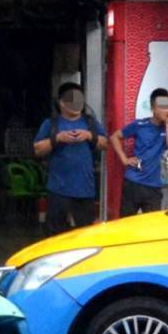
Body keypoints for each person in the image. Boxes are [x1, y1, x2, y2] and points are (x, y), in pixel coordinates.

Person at [34, 83, 108, 235]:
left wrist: (89, 136)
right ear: (62, 102)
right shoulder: (51, 123)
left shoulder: (90, 122)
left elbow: (106, 144)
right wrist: (57, 138)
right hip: (58, 188)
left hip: (85, 189)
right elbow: (37, 149)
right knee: (55, 234)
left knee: (86, 234)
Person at [111, 88, 168, 216]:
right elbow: (114, 137)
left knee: (152, 226)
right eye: (162, 107)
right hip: (133, 182)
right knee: (126, 223)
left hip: (155, 186)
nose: (167, 110)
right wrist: (124, 159)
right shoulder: (140, 124)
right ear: (153, 107)